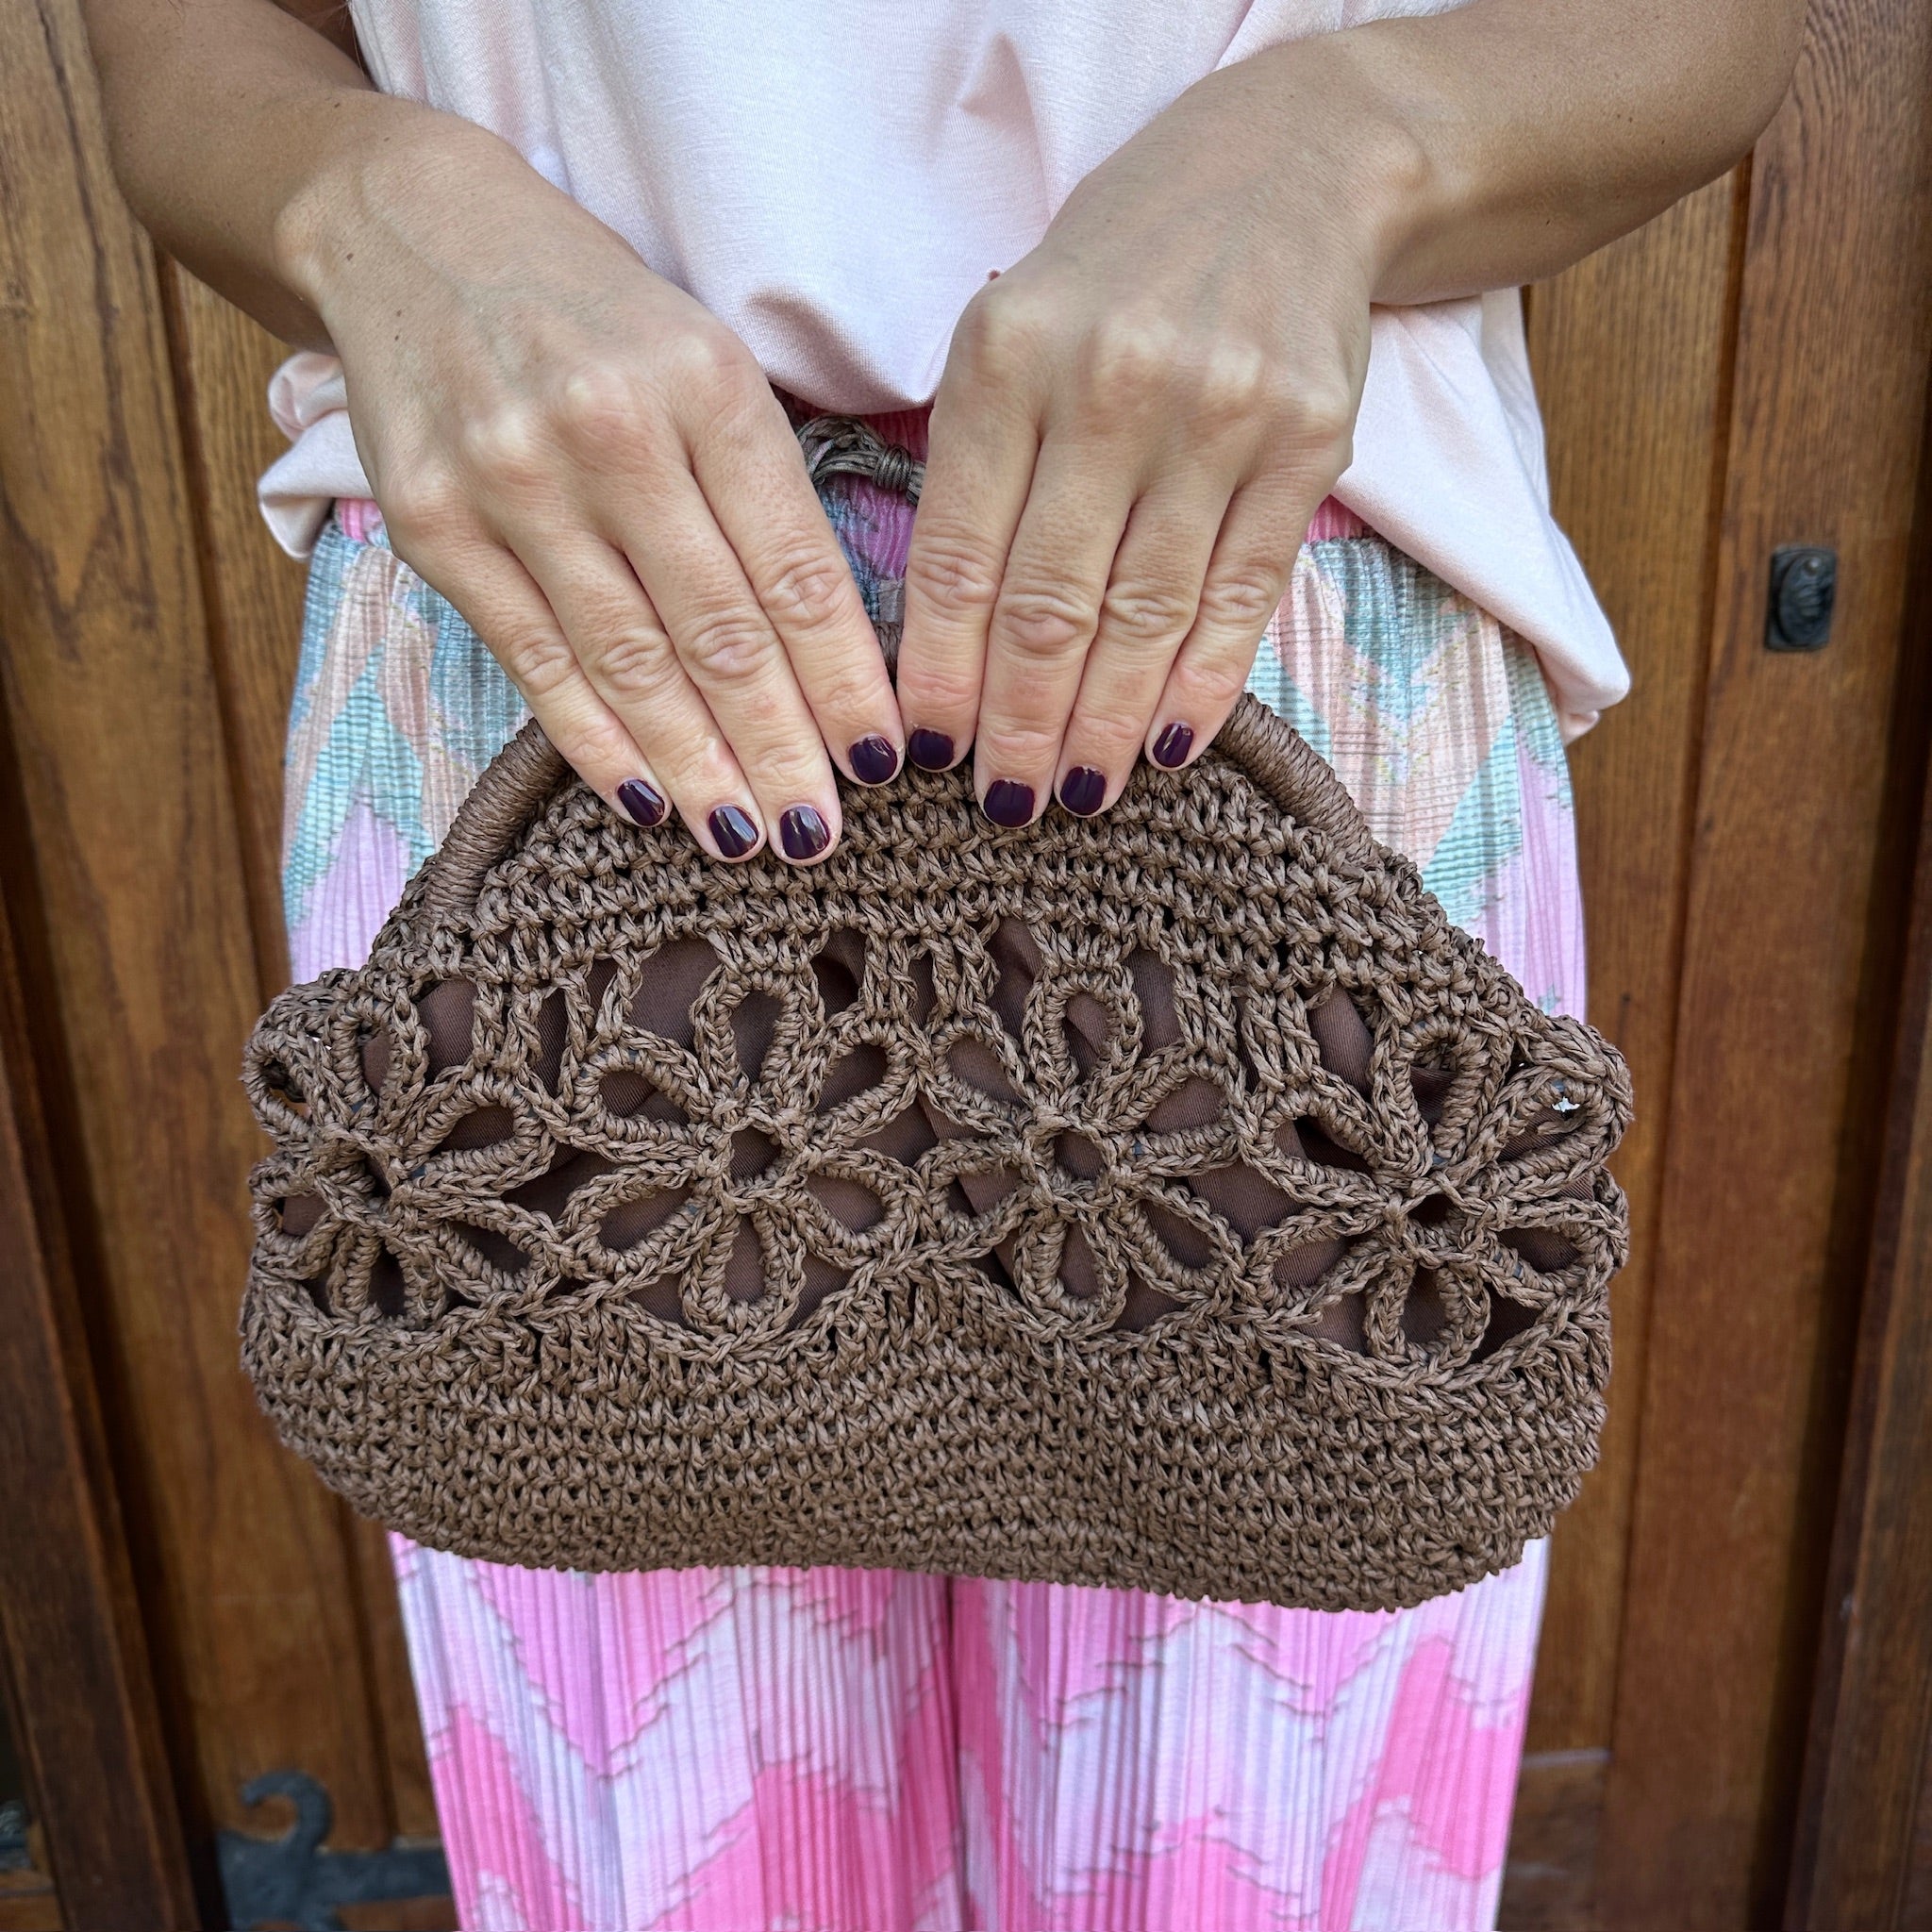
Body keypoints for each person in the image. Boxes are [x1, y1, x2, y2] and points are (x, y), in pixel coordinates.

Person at [84, 0, 1802, 1923]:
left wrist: (1363, 134)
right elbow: (183, 42)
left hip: (1236, 617)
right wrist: (366, 201)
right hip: (575, 621)